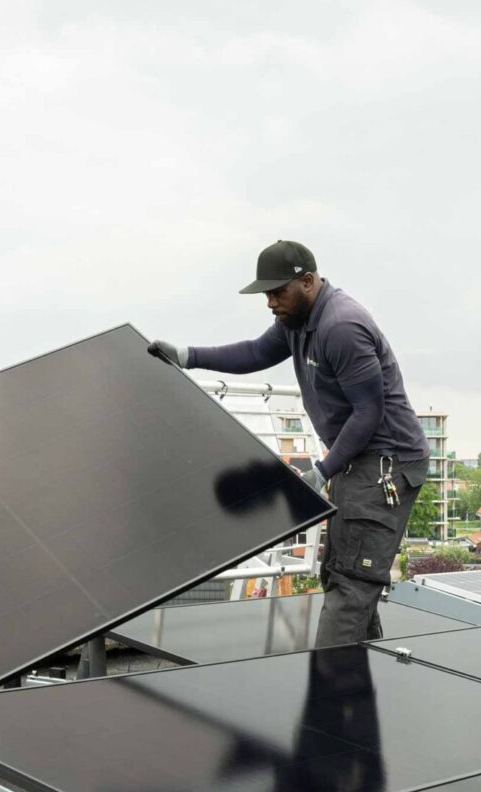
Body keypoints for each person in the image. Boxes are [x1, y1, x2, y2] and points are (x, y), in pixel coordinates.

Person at [149, 240, 428, 647]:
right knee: (341, 574)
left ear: (308, 282)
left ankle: (329, 692)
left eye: (278, 292)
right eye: (266, 294)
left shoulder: (341, 327)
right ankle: (367, 670)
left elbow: (368, 413)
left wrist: (322, 470)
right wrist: (188, 355)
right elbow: (256, 352)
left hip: (385, 465)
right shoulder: (298, 321)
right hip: (357, 460)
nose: (270, 302)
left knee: (352, 582)